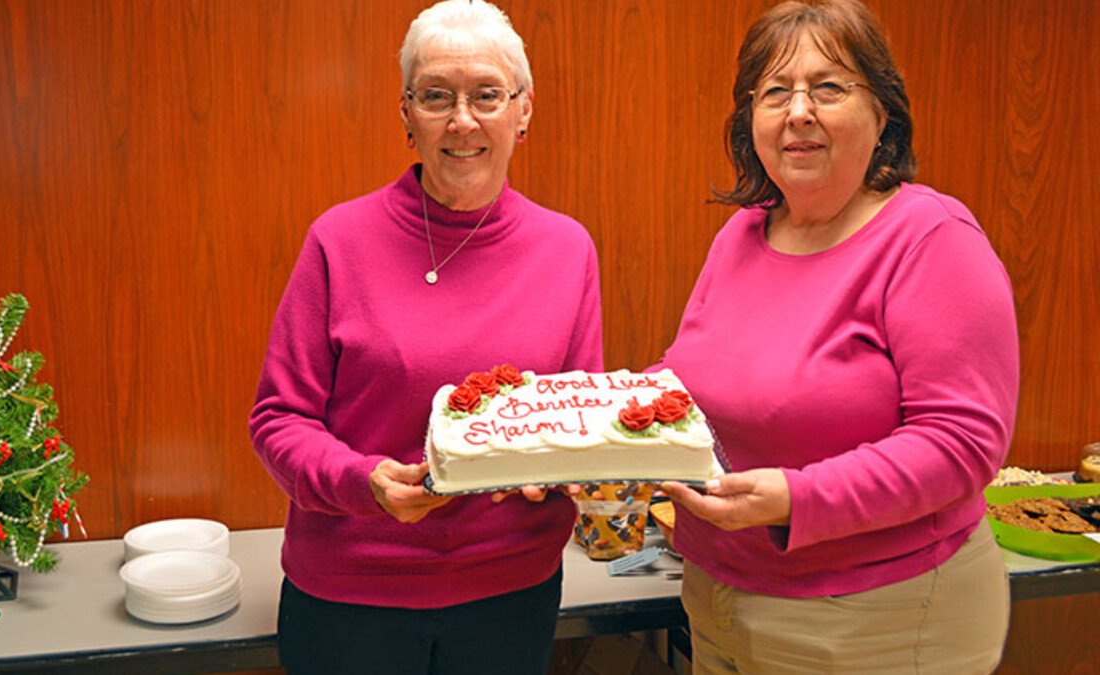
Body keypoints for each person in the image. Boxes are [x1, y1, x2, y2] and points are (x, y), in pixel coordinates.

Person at [656, 1, 1019, 672]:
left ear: (882, 114)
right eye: (775, 92)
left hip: (881, 618)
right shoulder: (743, 233)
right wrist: (591, 423)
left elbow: (964, 443)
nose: (799, 111)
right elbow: (686, 384)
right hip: (720, 598)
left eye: (828, 87)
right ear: (750, 122)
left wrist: (798, 499)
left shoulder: (932, 240)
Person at [248, 1, 602, 673]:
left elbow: (575, 418)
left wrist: (547, 473)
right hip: (352, 597)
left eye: (487, 95)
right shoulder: (339, 241)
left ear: (523, 110)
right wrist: (364, 481)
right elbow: (278, 420)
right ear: (406, 114)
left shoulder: (567, 249)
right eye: (436, 96)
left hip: (512, 593)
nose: (462, 120)